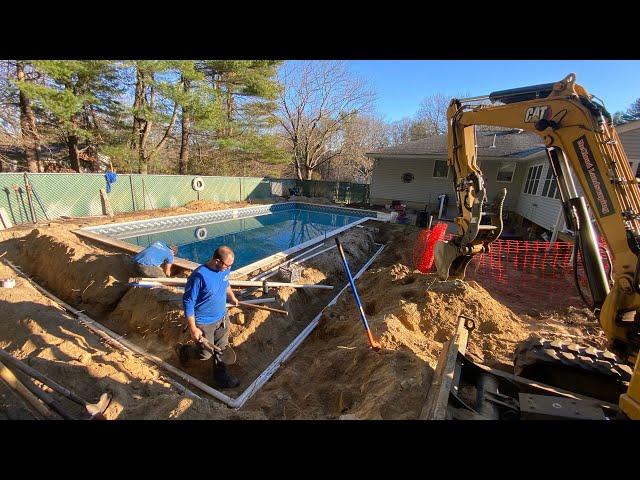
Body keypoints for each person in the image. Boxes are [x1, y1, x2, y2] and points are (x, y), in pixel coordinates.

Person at [176, 245, 240, 389]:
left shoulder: (225, 269)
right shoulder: (199, 276)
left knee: (221, 349)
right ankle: (185, 351)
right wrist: (193, 328)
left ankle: (221, 379)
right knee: (205, 354)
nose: (229, 268)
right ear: (217, 260)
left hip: (222, 318)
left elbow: (226, 282)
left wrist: (232, 297)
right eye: (227, 265)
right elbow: (188, 302)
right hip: (204, 323)